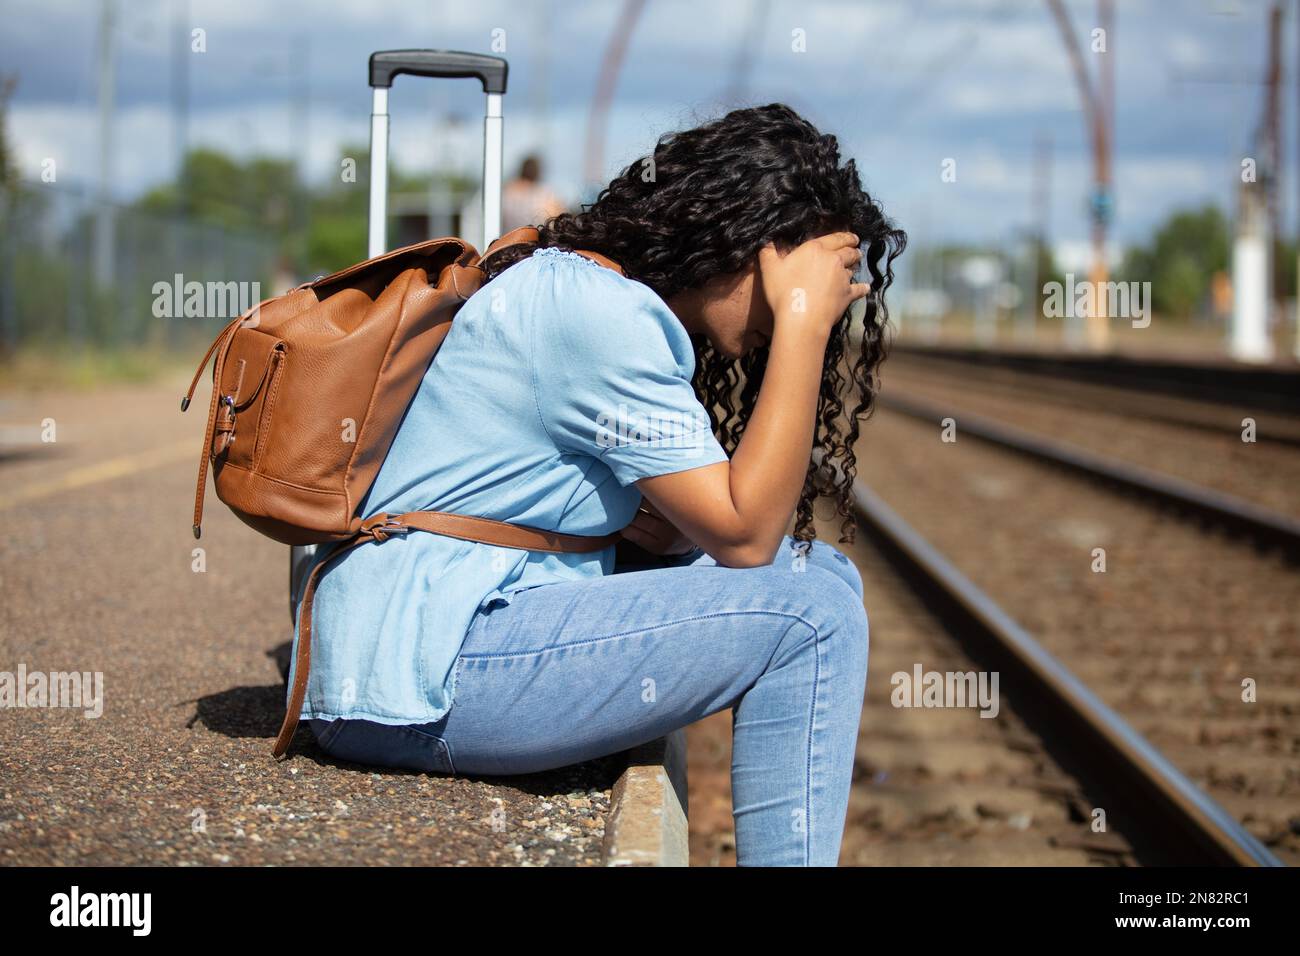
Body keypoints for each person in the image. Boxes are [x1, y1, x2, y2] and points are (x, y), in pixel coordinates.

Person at [293, 103, 907, 866]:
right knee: (813, 617)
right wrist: (808, 325)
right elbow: (746, 533)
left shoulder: (586, 291)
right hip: (414, 676)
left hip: (435, 639)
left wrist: (649, 522)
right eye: (788, 286)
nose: (779, 325)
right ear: (750, 246)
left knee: (826, 575)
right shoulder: (598, 314)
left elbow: (705, 521)